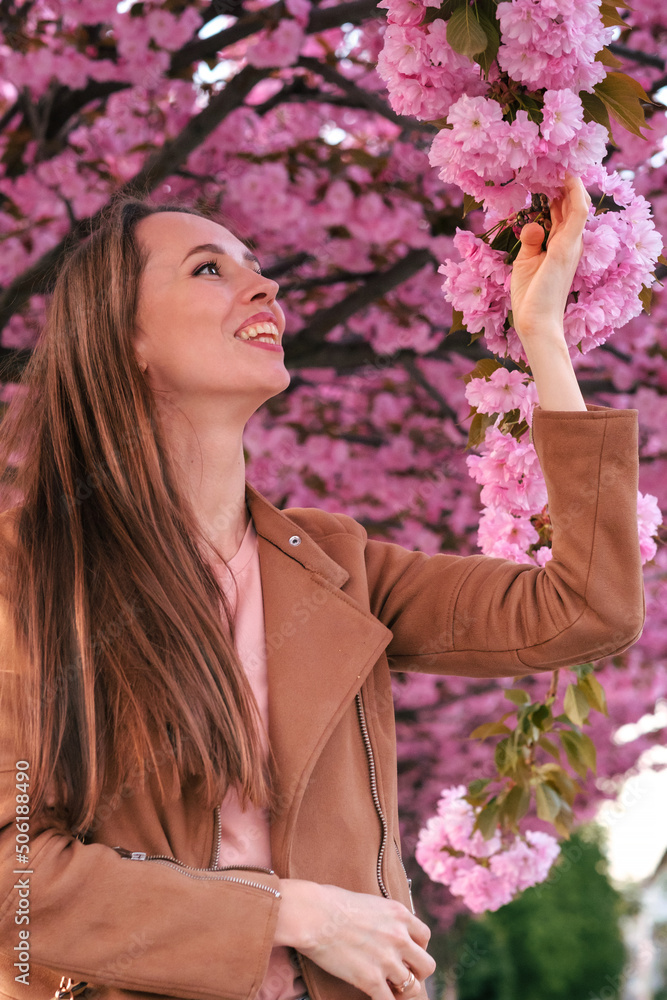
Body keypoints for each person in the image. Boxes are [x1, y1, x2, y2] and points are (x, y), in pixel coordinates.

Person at [0, 175, 645, 1000]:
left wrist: (542, 334)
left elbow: (585, 610)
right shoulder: (29, 574)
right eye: (208, 268)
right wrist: (285, 915)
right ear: (125, 338)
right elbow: (18, 882)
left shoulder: (334, 567)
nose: (264, 284)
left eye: (255, 263)